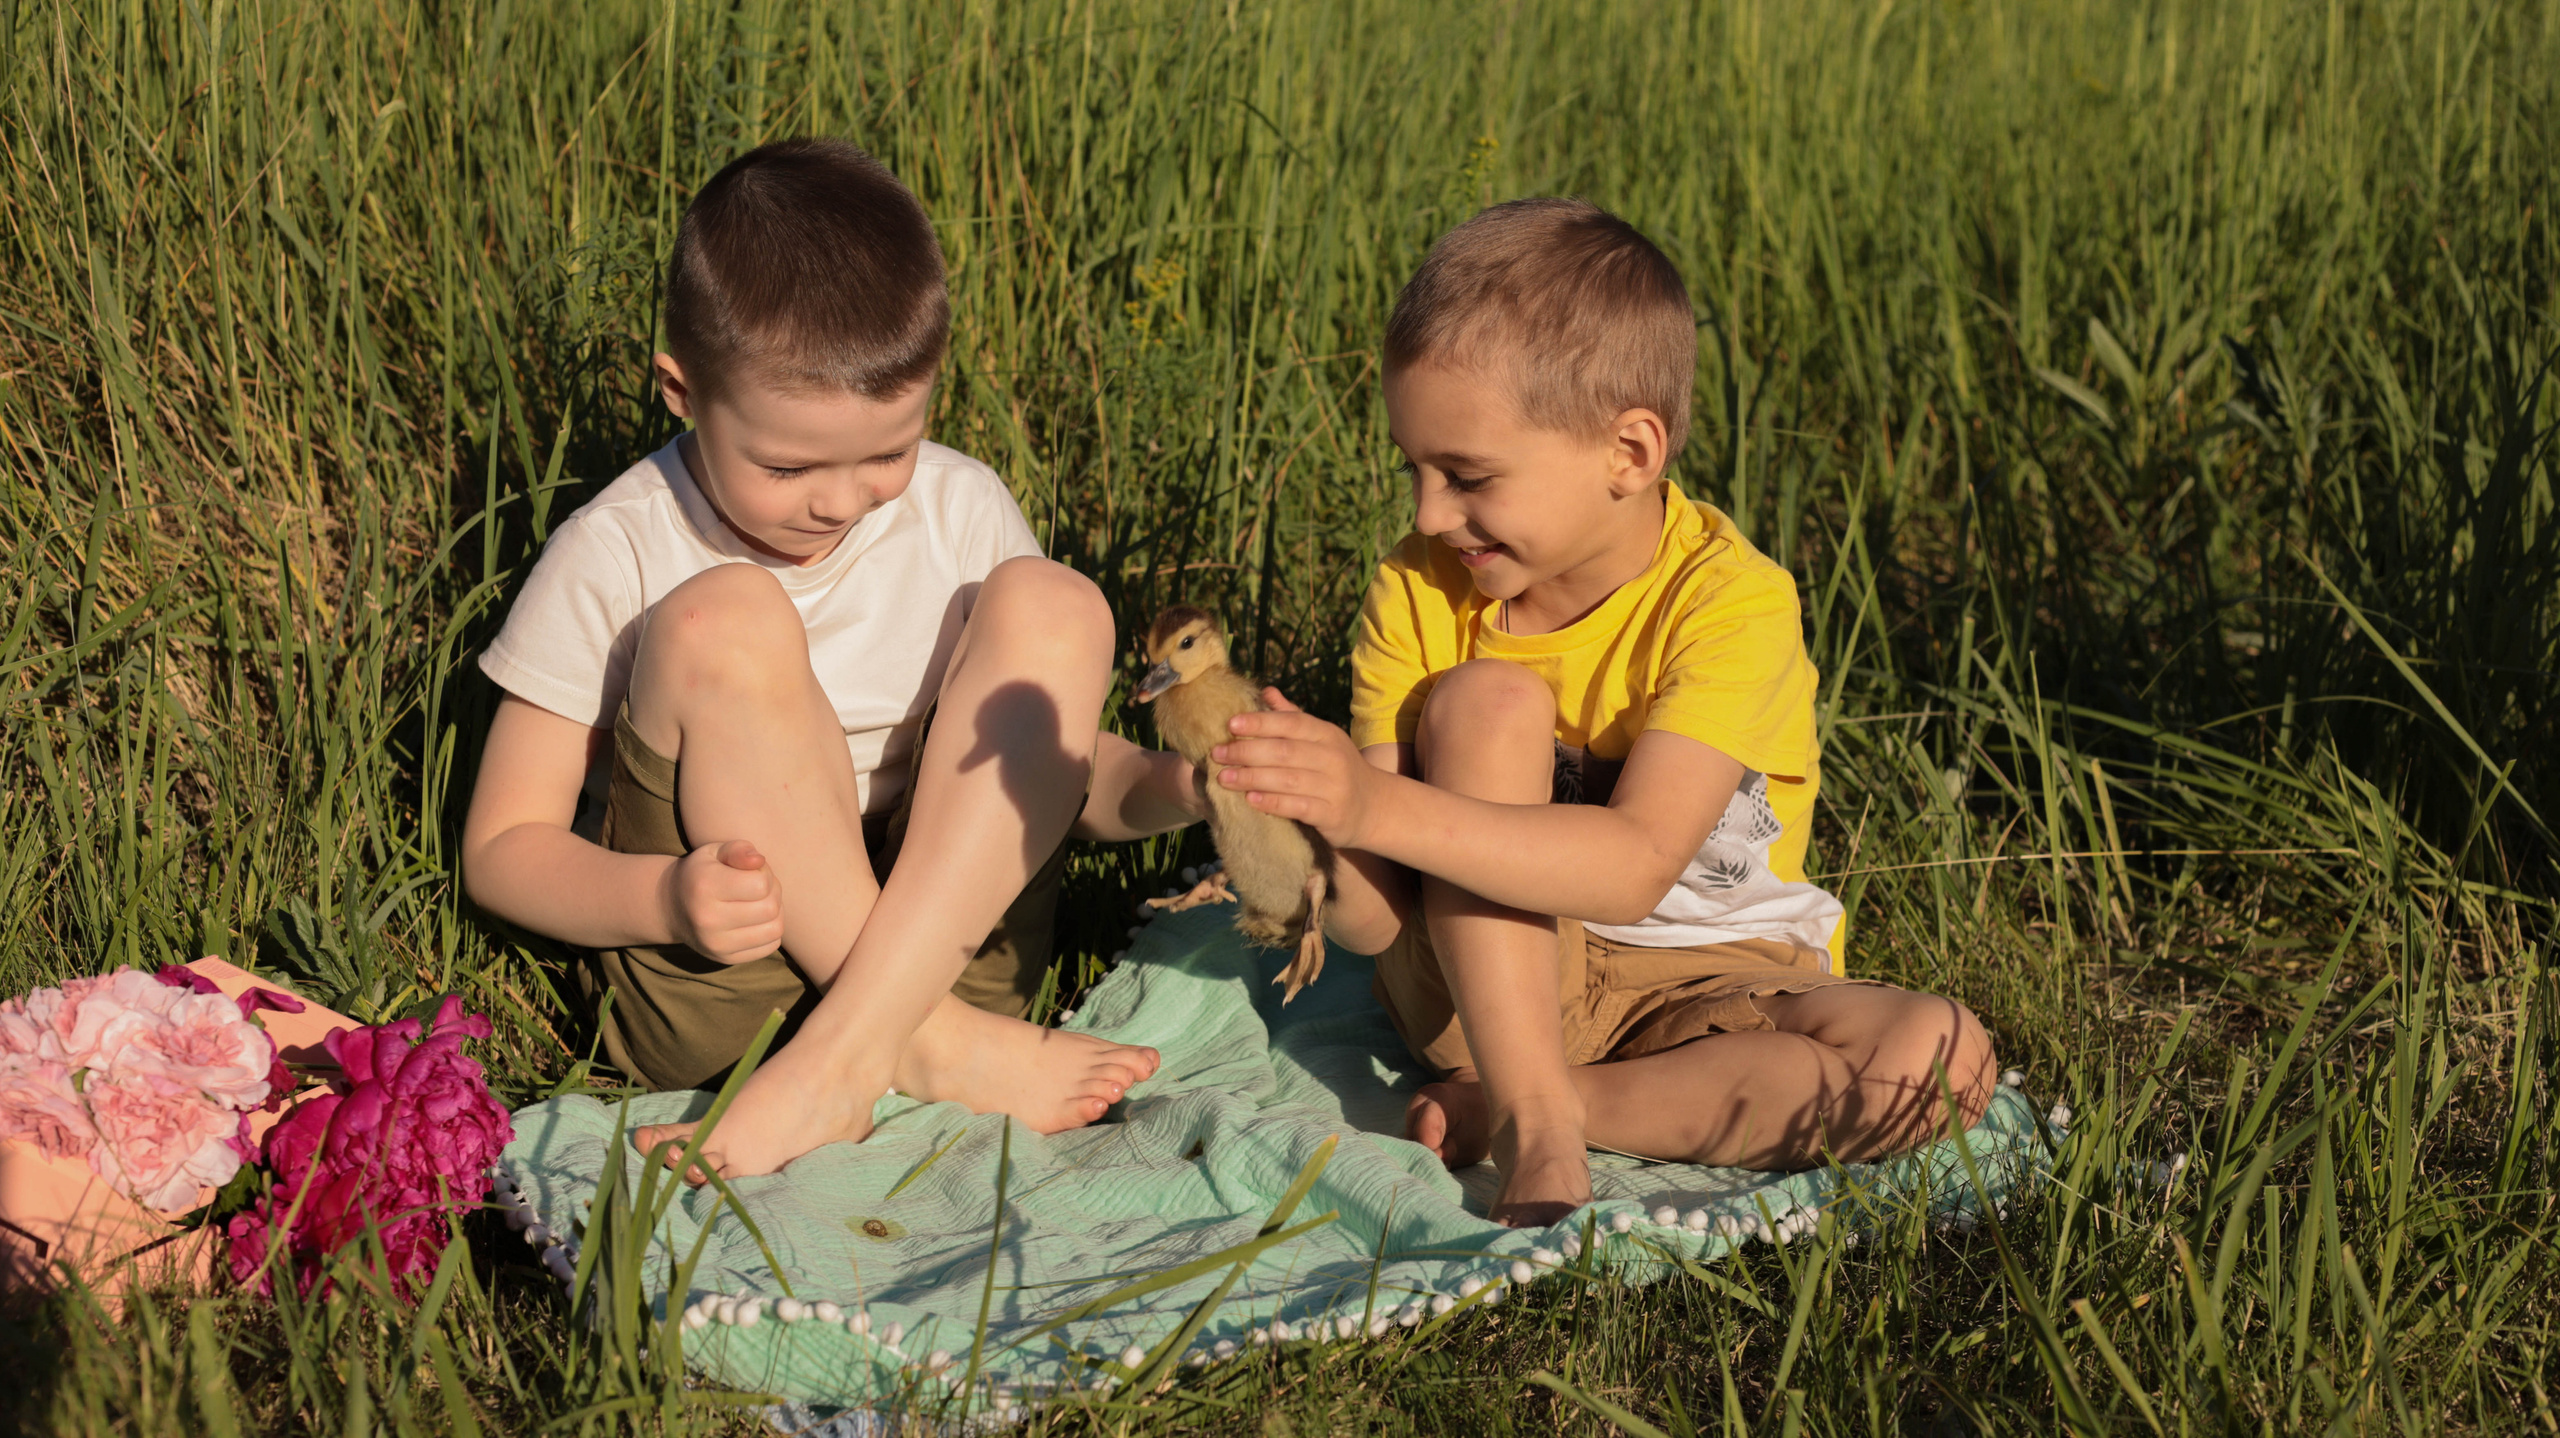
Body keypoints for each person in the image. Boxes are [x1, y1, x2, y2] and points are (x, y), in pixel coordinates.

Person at [1203, 199, 1998, 1226]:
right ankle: (1533, 1113)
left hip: (1711, 982)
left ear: (1628, 453)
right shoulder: (1418, 591)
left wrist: (1371, 809)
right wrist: (1309, 824)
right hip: (1484, 974)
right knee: (1487, 700)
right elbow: (1373, 919)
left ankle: (1556, 1101)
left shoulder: (1729, 601)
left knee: (1943, 1062)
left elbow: (1631, 864)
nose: (1427, 514)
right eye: (1415, 468)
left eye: (1467, 476)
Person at [460, 138, 1190, 1180]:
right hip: (731, 982)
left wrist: (1179, 787)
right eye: (787, 464)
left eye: (888, 452)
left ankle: (856, 1053)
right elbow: (501, 849)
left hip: (949, 945)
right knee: (727, 619)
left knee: (1056, 604)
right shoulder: (618, 546)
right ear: (680, 389)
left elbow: (1059, 766)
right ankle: (916, 1044)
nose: (842, 501)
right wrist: (661, 900)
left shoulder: (961, 508)